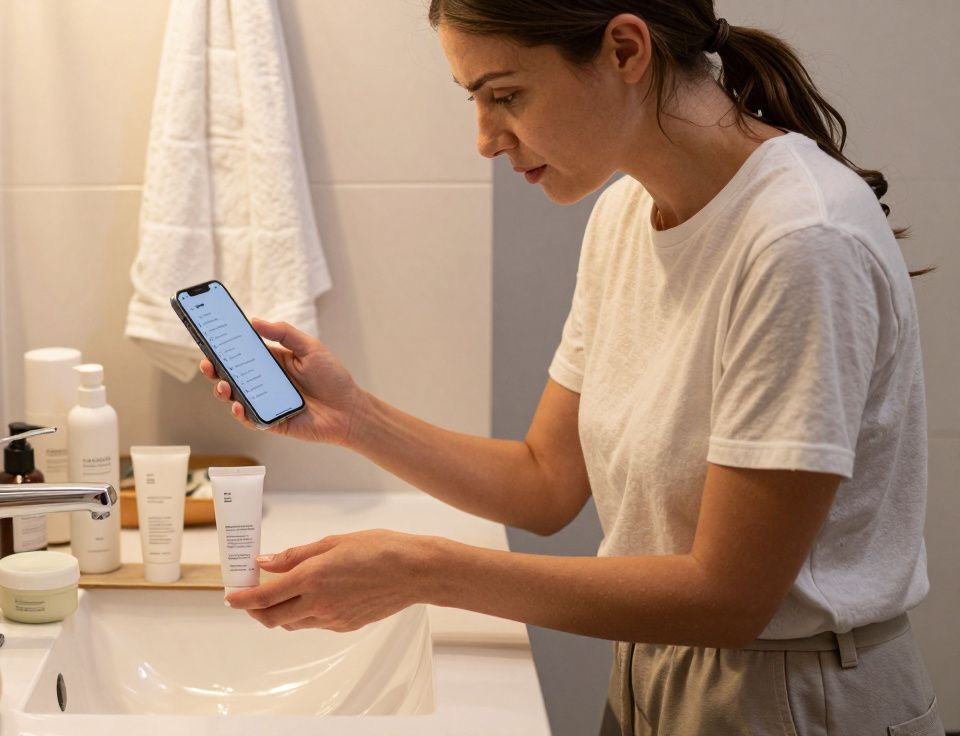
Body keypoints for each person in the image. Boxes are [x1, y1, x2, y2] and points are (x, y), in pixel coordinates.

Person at [202, 1, 941, 733]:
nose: (487, 141)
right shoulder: (626, 215)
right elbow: (545, 481)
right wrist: (354, 417)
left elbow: (730, 596)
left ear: (625, 51)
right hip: (655, 673)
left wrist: (423, 570)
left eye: (506, 96)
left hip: (795, 700)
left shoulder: (799, 240)